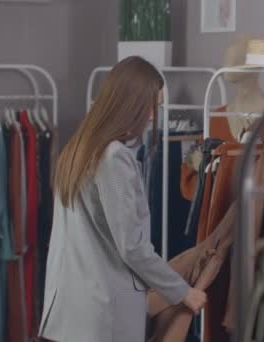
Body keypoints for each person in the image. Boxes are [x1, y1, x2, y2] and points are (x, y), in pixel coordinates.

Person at [39, 56, 207, 342]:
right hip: (102, 316)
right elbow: (131, 246)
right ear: (131, 103)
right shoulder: (113, 157)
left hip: (67, 309)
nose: (154, 116)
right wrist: (182, 291)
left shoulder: (77, 149)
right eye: (153, 105)